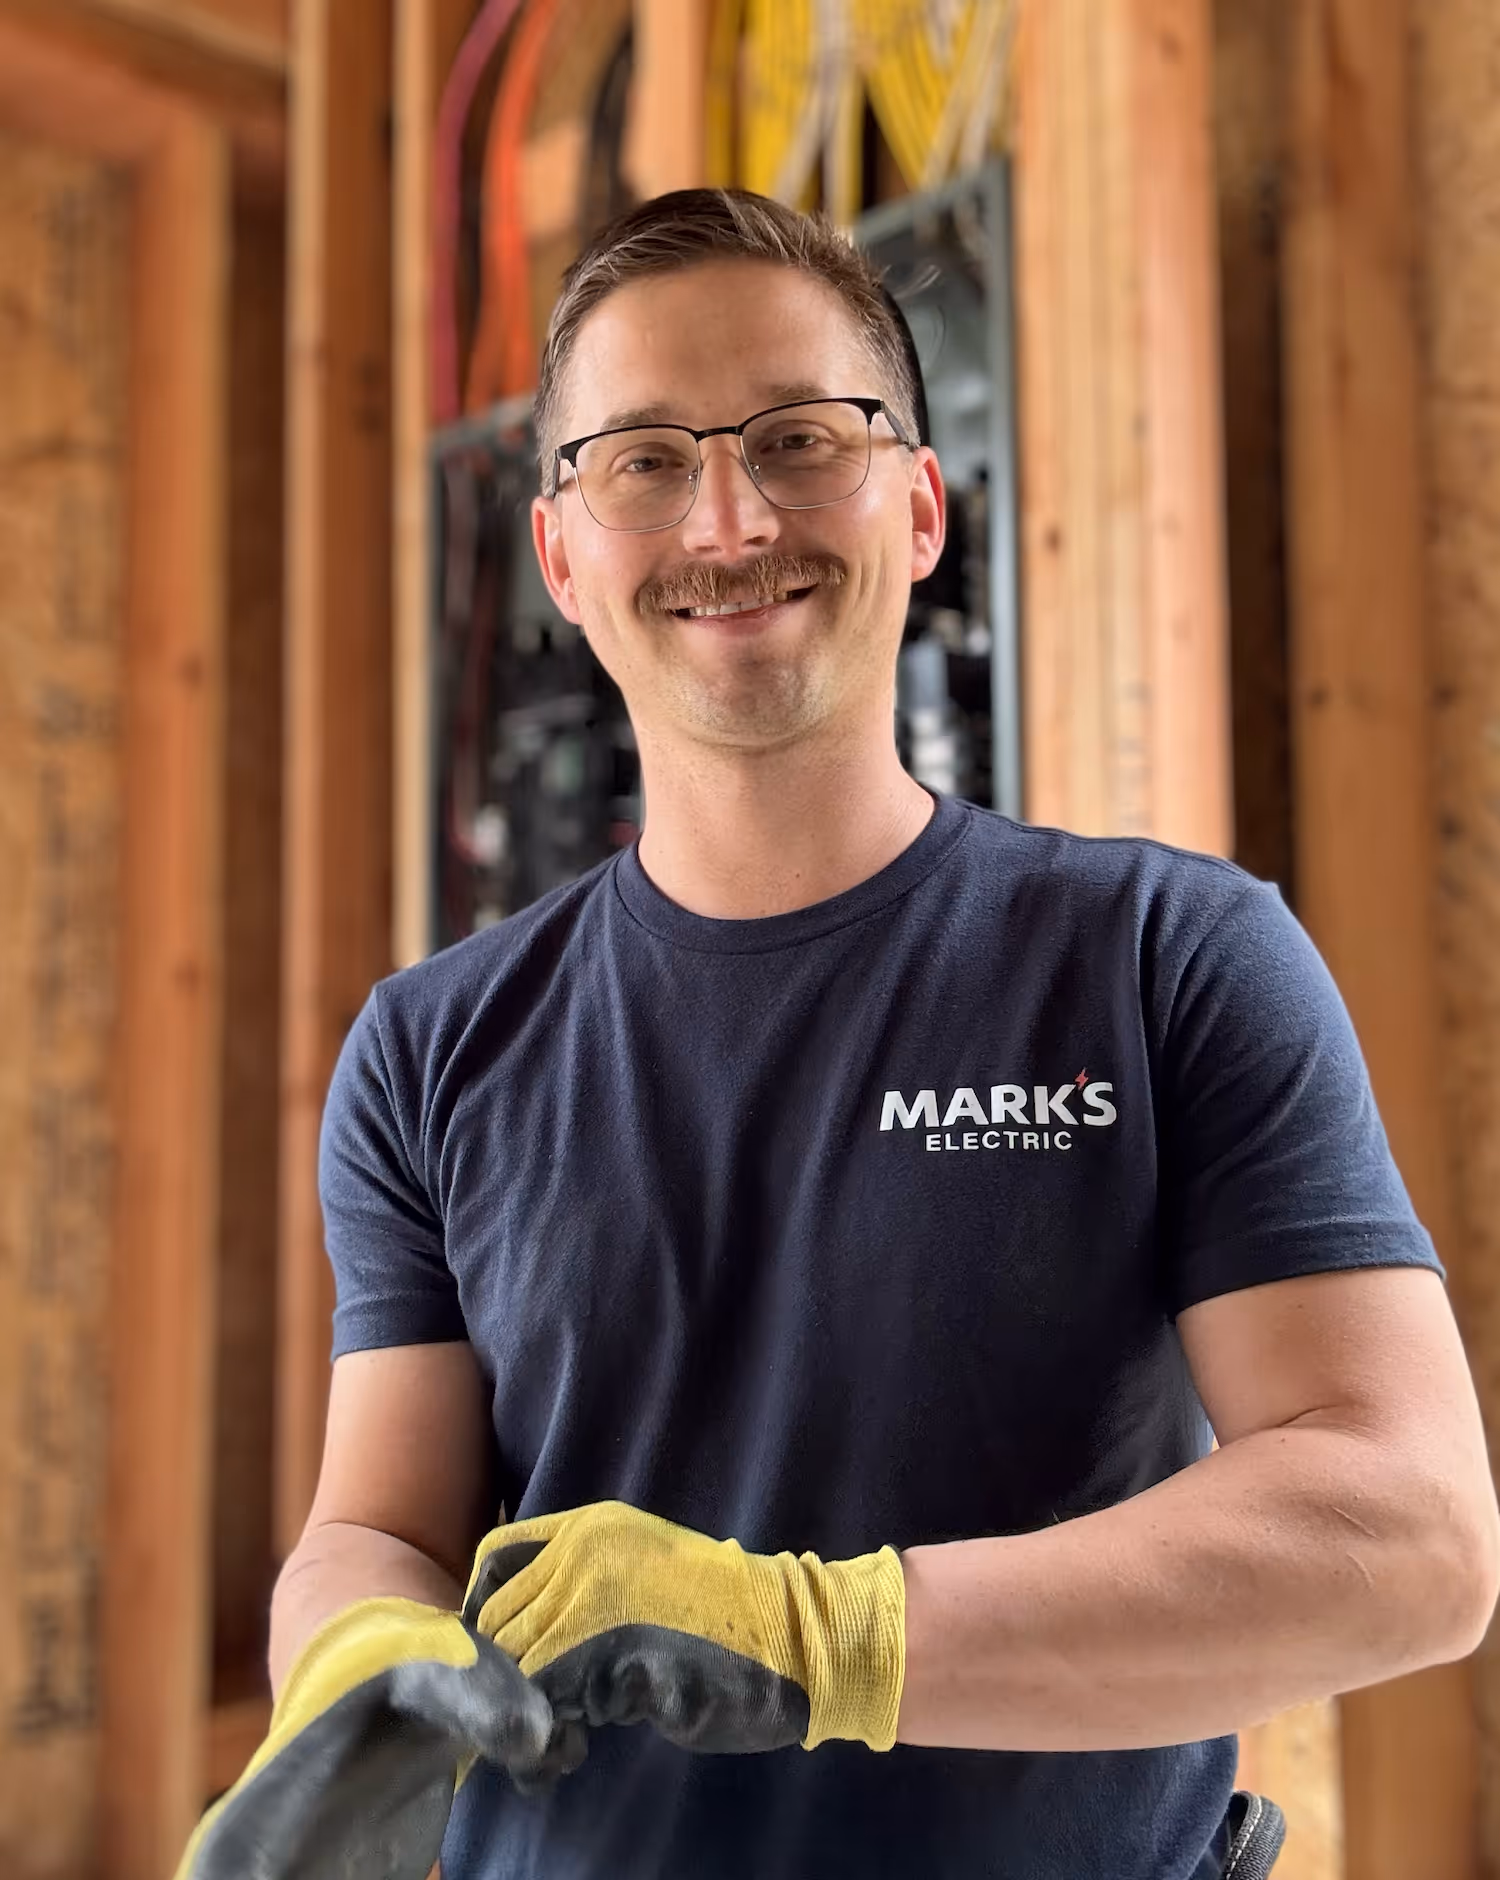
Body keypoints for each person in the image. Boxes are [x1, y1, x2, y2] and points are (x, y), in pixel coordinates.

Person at [177, 188, 1499, 1880]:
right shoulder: (430, 1050)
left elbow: (1412, 1536)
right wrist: (353, 1660)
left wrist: (825, 1639)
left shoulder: (1168, 958)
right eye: (643, 460)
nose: (730, 519)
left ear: (923, 508)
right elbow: (379, 1527)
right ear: (561, 556)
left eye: (801, 437)